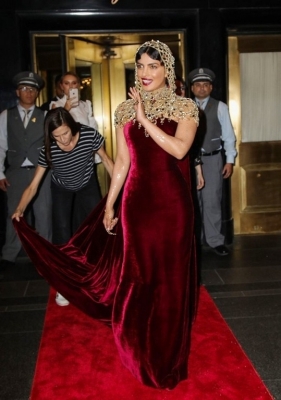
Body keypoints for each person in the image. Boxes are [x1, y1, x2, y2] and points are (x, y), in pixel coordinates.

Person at [12, 40, 199, 390]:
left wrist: (145, 118)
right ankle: (140, 344)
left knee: (169, 279)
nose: (144, 73)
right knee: (140, 276)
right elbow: (123, 162)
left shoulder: (184, 107)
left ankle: (167, 352)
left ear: (167, 70)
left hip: (172, 207)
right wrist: (111, 203)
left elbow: (179, 149)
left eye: (152, 66)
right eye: (140, 66)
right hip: (135, 204)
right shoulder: (124, 109)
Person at [12, 107, 114, 305]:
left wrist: (123, 192)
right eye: (57, 136)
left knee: (97, 228)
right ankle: (64, 285)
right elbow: (33, 186)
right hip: (61, 188)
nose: (64, 140)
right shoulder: (48, 148)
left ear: (73, 127)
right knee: (62, 233)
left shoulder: (88, 135)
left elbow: (108, 162)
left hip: (87, 184)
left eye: (66, 133)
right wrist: (20, 209)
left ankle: (100, 277)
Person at [0, 71, 52, 274]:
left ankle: (43, 255)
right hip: (16, 172)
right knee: (14, 213)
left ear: (37, 93)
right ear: (17, 92)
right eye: (24, 88)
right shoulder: (6, 115)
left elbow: (51, 145)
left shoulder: (46, 115)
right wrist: (0, 173)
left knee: (43, 214)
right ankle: (9, 255)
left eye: (32, 89)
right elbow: (1, 145)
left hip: (41, 173)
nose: (28, 92)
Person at [188, 68, 237, 256]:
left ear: (211, 87)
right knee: (191, 202)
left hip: (212, 159)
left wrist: (229, 160)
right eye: (198, 85)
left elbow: (229, 136)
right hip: (188, 161)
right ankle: (194, 241)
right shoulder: (184, 107)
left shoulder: (220, 107)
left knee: (211, 201)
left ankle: (215, 240)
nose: (202, 88)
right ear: (192, 88)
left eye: (205, 85)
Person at [50, 71, 101, 163]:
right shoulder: (56, 105)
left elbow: (93, 129)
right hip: (67, 153)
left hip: (86, 151)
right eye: (66, 83)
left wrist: (96, 153)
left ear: (78, 85)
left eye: (74, 83)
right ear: (62, 86)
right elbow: (55, 129)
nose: (70, 86)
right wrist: (66, 109)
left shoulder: (86, 105)